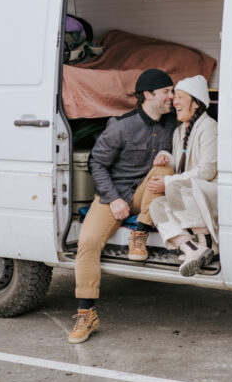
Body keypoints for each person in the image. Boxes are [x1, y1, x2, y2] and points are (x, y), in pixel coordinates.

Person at [69, 68, 175, 344]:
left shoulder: (172, 125)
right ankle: (86, 313)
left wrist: (169, 155)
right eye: (167, 92)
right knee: (88, 241)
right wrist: (113, 198)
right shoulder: (122, 126)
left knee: (165, 171)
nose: (172, 97)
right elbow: (97, 163)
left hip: (144, 197)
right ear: (149, 95)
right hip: (113, 195)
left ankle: (139, 234)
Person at [149, 75, 219, 277]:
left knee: (173, 186)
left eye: (180, 97)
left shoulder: (209, 127)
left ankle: (206, 241)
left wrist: (168, 181)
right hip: (189, 191)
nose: (175, 102)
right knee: (157, 206)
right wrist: (166, 158)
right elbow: (182, 164)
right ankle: (192, 249)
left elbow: (206, 171)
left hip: (208, 190)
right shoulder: (180, 131)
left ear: (196, 103)